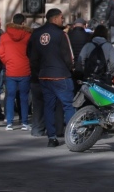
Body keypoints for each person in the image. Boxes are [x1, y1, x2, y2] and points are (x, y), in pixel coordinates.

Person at [28, 8, 76, 147]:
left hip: (44, 75)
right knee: (68, 105)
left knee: (48, 106)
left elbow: (31, 55)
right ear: (55, 18)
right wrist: (70, 69)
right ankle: (72, 135)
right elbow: (69, 56)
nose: (63, 20)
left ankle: (52, 137)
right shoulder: (61, 34)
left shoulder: (36, 34)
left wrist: (38, 72)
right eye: (62, 18)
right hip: (60, 74)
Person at [0, 13, 32, 131]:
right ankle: (24, 122)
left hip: (11, 70)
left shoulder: (4, 36)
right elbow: (31, 52)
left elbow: (1, 53)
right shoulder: (28, 35)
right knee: (24, 97)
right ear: (23, 22)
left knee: (10, 96)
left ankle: (9, 122)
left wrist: (8, 62)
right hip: (25, 69)